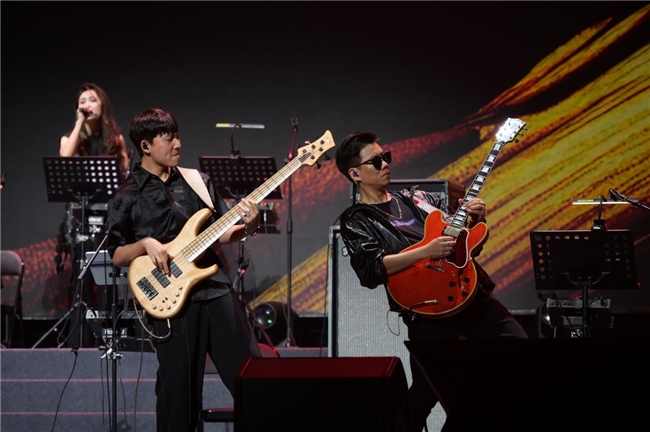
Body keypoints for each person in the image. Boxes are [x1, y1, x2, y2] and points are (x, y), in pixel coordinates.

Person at [334, 132, 528, 432]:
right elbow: (371, 270)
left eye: (387, 157)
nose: (386, 164)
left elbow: (460, 244)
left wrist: (476, 219)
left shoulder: (418, 198)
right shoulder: (357, 219)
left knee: (519, 353)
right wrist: (425, 252)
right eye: (376, 161)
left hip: (468, 293)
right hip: (426, 307)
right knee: (426, 394)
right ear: (355, 174)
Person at [106, 108, 262, 432]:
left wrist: (249, 225)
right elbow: (117, 254)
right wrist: (145, 243)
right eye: (169, 138)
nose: (178, 144)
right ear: (146, 146)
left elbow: (222, 232)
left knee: (253, 377)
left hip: (214, 287)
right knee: (179, 394)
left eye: (177, 136)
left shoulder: (197, 181)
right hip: (170, 300)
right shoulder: (127, 193)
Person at [56, 83, 130, 348]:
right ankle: (81, 340)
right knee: (83, 279)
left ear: (103, 105)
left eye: (92, 100)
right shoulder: (70, 138)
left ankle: (111, 337)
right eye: (82, 101)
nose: (87, 105)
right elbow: (65, 157)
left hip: (107, 217)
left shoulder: (115, 140)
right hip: (80, 218)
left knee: (109, 278)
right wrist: (79, 123)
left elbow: (124, 173)